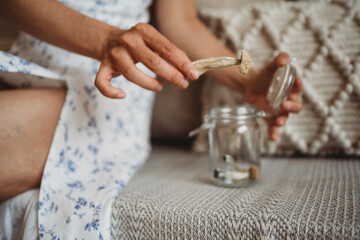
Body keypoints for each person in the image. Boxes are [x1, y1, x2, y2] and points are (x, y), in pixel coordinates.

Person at [0, 0, 302, 238]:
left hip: (110, 89)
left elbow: (181, 21)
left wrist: (248, 83)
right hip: (20, 64)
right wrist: (106, 38)